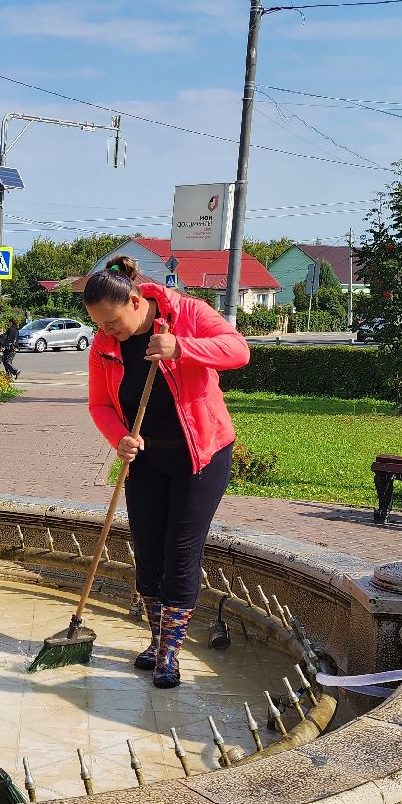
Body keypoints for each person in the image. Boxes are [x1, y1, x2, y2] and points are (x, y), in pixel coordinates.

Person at [83, 255, 249, 689]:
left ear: (136, 302)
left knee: (180, 552)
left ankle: (170, 653)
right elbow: (100, 404)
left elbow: (238, 350)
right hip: (147, 459)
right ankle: (158, 639)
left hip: (200, 456)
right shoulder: (103, 346)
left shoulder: (186, 313)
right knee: (149, 553)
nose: (108, 333)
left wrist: (183, 347)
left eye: (114, 323)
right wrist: (119, 436)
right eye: (100, 325)